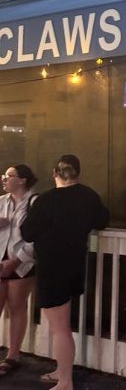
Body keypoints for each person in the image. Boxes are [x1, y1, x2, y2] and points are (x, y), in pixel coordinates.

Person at [20, 155, 108, 390]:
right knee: (62, 325)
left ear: (54, 173)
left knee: (60, 328)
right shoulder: (89, 196)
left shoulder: (45, 200)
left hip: (52, 267)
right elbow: (102, 220)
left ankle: (65, 381)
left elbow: (27, 233)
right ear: (78, 173)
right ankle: (61, 371)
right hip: (76, 265)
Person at [0, 165, 38, 376]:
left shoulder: (34, 203)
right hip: (0, 257)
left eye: (9, 176)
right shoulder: (1, 201)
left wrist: (17, 260)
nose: (4, 179)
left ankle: (12, 356)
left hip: (21, 261)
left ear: (22, 180)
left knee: (17, 307)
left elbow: (38, 236)